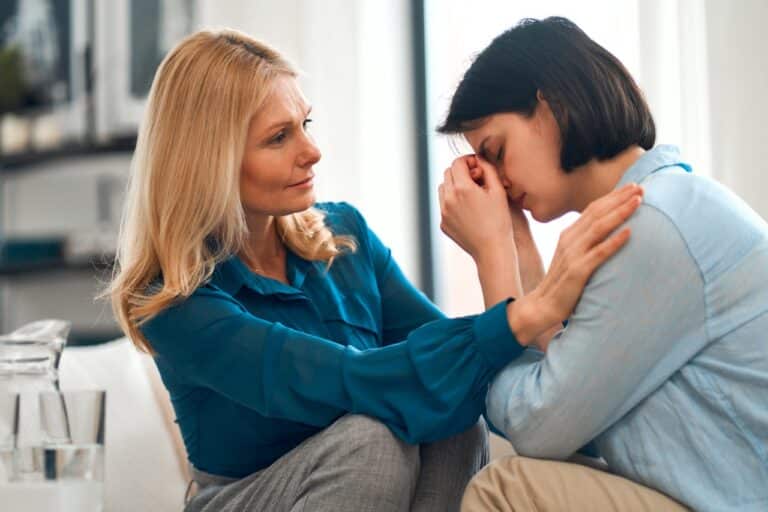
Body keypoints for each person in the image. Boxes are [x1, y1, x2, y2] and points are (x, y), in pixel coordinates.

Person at [105, 29, 641, 512]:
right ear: (210, 159)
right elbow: (346, 380)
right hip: (248, 496)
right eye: (278, 138)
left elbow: (456, 371)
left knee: (454, 422)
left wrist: (505, 246)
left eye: (305, 124)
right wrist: (527, 314)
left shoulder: (346, 236)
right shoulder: (174, 300)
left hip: (361, 484)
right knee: (372, 439)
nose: (312, 151)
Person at [434, 17, 768, 512]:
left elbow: (537, 426)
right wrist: (518, 248)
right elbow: (569, 382)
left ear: (553, 109)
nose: (498, 180)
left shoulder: (651, 226)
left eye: (497, 152)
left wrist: (493, 258)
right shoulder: (663, 203)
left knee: (507, 490)